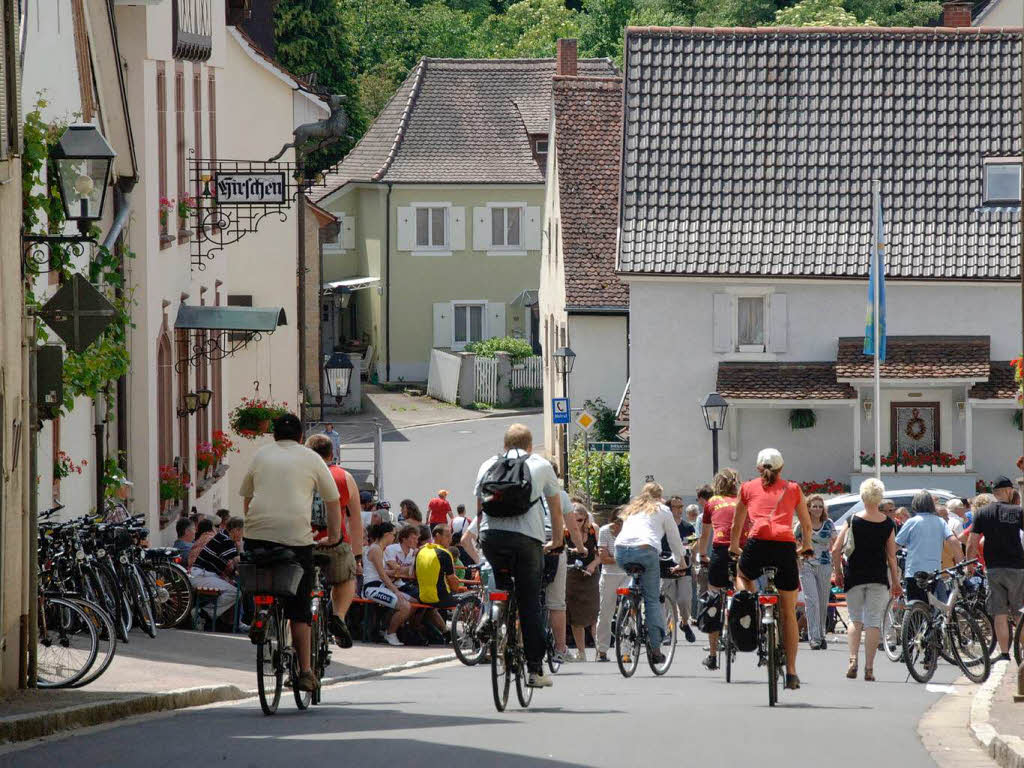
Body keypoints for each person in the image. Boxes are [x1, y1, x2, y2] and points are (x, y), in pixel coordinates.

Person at [239, 412, 343, 692]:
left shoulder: (261, 455)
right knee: (299, 607)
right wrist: (334, 536)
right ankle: (306, 672)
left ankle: (261, 612)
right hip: (295, 539)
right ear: (301, 437)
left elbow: (247, 497)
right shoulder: (311, 458)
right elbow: (333, 501)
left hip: (256, 534)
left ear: (274, 435)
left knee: (263, 576)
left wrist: (251, 527)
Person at [475, 423, 565, 688]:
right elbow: (556, 509)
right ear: (530, 445)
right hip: (527, 540)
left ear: (504, 445)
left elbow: (480, 506)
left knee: (501, 585)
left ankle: (491, 615)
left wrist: (483, 538)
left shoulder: (487, 465)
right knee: (529, 602)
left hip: (491, 538)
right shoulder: (541, 465)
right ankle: (535, 671)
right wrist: (557, 541)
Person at [730, 448, 813, 690]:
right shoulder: (794, 489)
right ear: (781, 469)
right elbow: (806, 525)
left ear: (758, 468)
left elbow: (738, 524)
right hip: (785, 546)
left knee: (742, 573)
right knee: (788, 613)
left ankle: (750, 601)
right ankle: (792, 672)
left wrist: (735, 547)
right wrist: (806, 546)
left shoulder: (747, 488)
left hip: (757, 544)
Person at [832, 478, 901, 681]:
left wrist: (838, 573)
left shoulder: (852, 520)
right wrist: (895, 581)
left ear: (862, 496)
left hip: (855, 575)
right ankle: (869, 668)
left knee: (855, 618)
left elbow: (836, 549)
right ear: (879, 498)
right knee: (873, 622)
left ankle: (853, 659)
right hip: (878, 576)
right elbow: (891, 556)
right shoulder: (888, 523)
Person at [615, 482, 686, 665]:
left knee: (635, 580)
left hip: (621, 551)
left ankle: (629, 607)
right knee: (652, 599)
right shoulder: (662, 509)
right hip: (646, 550)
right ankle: (655, 649)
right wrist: (681, 561)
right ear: (660, 496)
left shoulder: (632, 509)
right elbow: (674, 538)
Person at [305, 433, 364, 649]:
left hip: (302, 542)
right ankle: (338, 616)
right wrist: (357, 556)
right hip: (335, 544)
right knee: (346, 579)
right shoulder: (344, 477)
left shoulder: (300, 476)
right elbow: (355, 520)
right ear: (332, 453)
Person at [967, 476, 1024, 662]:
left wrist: (970, 564)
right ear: (1008, 491)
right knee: (1019, 613)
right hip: (1017, 568)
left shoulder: (983, 513)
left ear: (994, 493)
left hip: (993, 568)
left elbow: (972, 542)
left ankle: (1005, 653)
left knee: (999, 613)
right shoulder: (1018, 511)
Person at [697, 468, 747, 669]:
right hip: (741, 551)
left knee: (714, 597)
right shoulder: (744, 501)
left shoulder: (712, 503)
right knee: (746, 588)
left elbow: (705, 535)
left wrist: (702, 556)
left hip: (719, 552)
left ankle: (712, 655)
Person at [895, 492, 962, 604]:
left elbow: (896, 545)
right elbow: (954, 541)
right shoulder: (940, 521)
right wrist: (960, 562)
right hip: (934, 571)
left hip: (914, 571)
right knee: (930, 603)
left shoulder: (911, 522)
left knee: (916, 605)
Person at [794, 494, 836, 650]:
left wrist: (835, 558)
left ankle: (822, 634)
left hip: (824, 566)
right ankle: (814, 638)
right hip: (807, 566)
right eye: (814, 506)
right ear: (808, 508)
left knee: (823, 601)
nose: (817, 509)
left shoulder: (828, 524)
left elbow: (835, 543)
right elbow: (794, 545)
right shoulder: (801, 525)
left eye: (820, 506)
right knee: (812, 601)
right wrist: (801, 555)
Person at [362, 522, 413, 645]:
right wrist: (395, 590)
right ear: (386, 534)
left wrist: (393, 572)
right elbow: (381, 575)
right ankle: (390, 633)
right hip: (372, 588)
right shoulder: (376, 549)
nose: (394, 538)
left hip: (380, 586)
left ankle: (386, 629)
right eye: (394, 535)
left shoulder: (379, 549)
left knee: (412, 601)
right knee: (405, 606)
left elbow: (381, 571)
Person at [190, 517, 243, 626]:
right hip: (202, 576)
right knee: (235, 592)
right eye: (242, 531)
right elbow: (238, 562)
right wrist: (240, 548)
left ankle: (235, 623)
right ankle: (203, 613)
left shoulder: (223, 535)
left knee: (235, 587)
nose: (242, 534)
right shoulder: (226, 540)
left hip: (204, 574)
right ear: (236, 530)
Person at [565, 503, 600, 661]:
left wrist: (593, 566)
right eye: (573, 519)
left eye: (580, 520)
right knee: (576, 615)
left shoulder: (593, 530)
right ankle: (581, 652)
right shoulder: (565, 531)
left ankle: (600, 649)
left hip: (591, 574)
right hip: (572, 574)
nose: (576, 523)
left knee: (594, 613)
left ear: (586, 519)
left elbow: (601, 553)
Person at [661, 497, 696, 643]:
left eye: (682, 506)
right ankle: (670, 632)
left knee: (684, 600)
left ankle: (684, 623)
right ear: (669, 509)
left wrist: (690, 554)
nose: (680, 509)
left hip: (684, 568)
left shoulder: (688, 527)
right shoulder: (663, 528)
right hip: (667, 568)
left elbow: (694, 545)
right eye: (677, 507)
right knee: (669, 604)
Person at [595, 511, 625, 662]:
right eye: (618, 523)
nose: (620, 526)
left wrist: (613, 558)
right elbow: (603, 558)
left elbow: (608, 557)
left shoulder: (630, 530)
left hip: (627, 574)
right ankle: (602, 649)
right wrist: (623, 559)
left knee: (630, 611)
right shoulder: (605, 531)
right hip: (609, 575)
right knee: (605, 612)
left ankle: (626, 650)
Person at [385, 524, 421, 598]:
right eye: (414, 538)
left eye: (417, 539)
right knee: (417, 598)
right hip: (387, 585)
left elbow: (412, 574)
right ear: (404, 538)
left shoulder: (413, 553)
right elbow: (396, 569)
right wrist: (412, 567)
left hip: (401, 584)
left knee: (423, 596)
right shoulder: (391, 549)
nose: (416, 542)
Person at [694, 484, 715, 595]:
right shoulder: (721, 512)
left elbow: (700, 538)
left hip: (706, 560)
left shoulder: (701, 517)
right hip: (722, 558)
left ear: (702, 499)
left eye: (698, 499)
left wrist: (701, 556)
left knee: (704, 594)